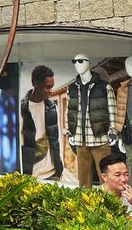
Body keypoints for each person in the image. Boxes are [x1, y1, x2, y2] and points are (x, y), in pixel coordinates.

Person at [66, 53, 117, 188]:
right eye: (75, 61)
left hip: (100, 138)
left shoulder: (104, 87)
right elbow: (69, 111)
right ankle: (84, 205)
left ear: (88, 63)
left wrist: (113, 131)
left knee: (106, 178)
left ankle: (108, 205)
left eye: (81, 61)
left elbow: (112, 110)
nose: (77, 64)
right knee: (83, 179)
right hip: (80, 140)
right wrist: (69, 132)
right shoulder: (71, 88)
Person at [21, 65, 63, 181]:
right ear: (36, 84)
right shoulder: (21, 108)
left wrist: (60, 169)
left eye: (52, 87)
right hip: (31, 175)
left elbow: (58, 139)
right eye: (47, 87)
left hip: (52, 173)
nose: (50, 91)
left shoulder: (52, 107)